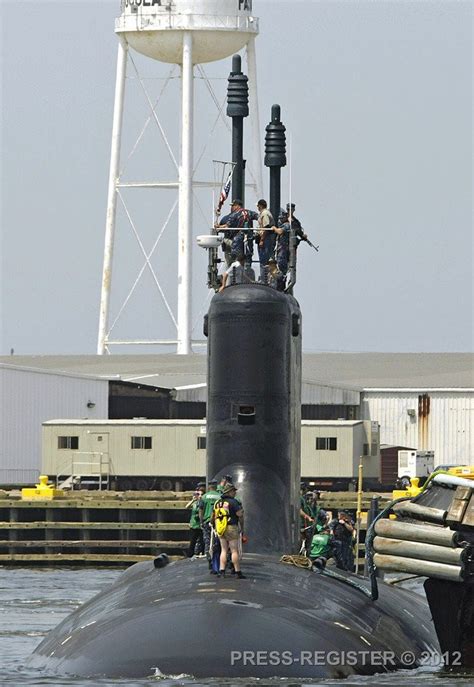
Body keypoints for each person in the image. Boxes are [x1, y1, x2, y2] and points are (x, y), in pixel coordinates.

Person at [212, 483, 246, 579]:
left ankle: (222, 571)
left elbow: (214, 516)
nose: (235, 493)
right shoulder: (233, 502)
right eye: (234, 491)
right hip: (231, 527)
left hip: (221, 528)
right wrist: (242, 528)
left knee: (223, 550)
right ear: (229, 492)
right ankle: (238, 572)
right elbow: (240, 515)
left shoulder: (218, 503)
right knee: (234, 550)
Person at [215, 199, 253, 268]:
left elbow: (223, 227)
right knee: (241, 262)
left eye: (233, 206)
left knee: (230, 263)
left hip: (234, 243)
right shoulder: (248, 214)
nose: (232, 207)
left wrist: (218, 227)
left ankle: (231, 275)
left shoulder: (228, 217)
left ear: (237, 206)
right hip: (242, 244)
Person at [248, 199, 275, 282]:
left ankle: (264, 280)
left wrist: (262, 240)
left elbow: (265, 228)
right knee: (264, 259)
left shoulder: (265, 213)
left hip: (265, 239)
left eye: (258, 206)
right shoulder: (264, 213)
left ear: (260, 206)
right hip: (265, 238)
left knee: (264, 260)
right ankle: (265, 278)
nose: (257, 208)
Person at [199, 479, 221, 571]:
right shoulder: (220, 497)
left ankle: (210, 561)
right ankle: (219, 562)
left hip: (207, 521)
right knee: (219, 543)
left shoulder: (203, 497)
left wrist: (201, 522)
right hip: (218, 523)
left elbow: (200, 511)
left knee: (208, 542)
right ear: (216, 486)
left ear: (209, 487)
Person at [186, 485, 204, 558]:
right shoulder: (194, 503)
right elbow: (186, 507)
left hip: (200, 525)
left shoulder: (202, 503)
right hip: (193, 525)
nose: (199, 496)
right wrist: (193, 500)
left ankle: (202, 552)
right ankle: (190, 554)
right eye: (197, 494)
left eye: (200, 494)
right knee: (193, 541)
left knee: (202, 541)